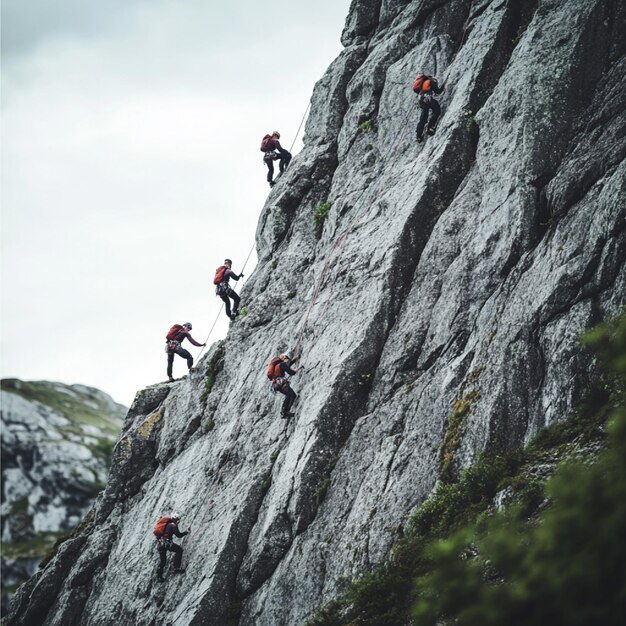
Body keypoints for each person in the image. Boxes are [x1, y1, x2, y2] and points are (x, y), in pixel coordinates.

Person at [155, 513, 189, 581]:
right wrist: (186, 532)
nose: (178, 522)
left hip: (161, 544)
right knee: (179, 550)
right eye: (178, 520)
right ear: (175, 519)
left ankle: (159, 576)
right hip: (167, 543)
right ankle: (176, 568)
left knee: (163, 561)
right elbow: (179, 535)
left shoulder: (165, 525)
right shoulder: (172, 525)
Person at [267, 353, 301, 419]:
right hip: (281, 383)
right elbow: (290, 371)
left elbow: (287, 366)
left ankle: (286, 411)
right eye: (287, 360)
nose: (288, 361)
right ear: (284, 359)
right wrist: (295, 371)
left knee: (292, 395)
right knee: (290, 395)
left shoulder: (276, 366)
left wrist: (294, 360)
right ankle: (284, 412)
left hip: (276, 385)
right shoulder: (282, 364)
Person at [414, 74, 444, 142]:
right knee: (437, 111)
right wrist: (443, 86)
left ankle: (418, 136)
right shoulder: (431, 81)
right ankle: (430, 127)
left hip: (421, 100)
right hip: (428, 99)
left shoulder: (422, 84)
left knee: (423, 119)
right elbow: (438, 91)